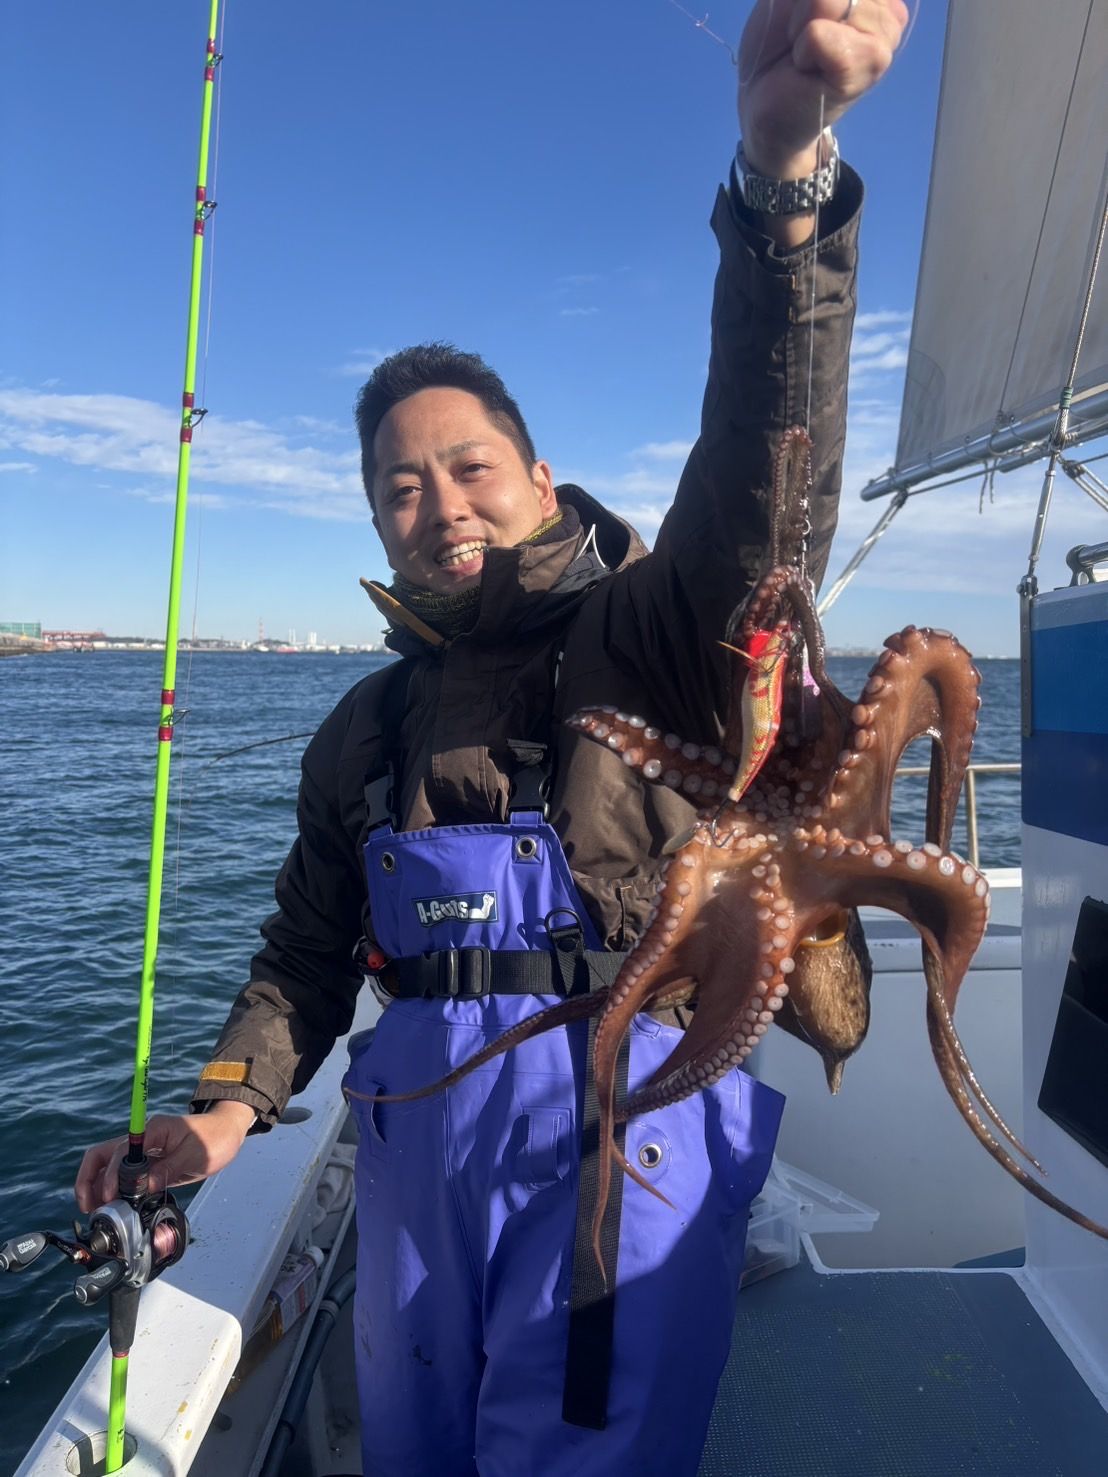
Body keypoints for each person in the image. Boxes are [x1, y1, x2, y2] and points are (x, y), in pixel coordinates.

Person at [78, 3, 907, 1472]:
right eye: (399, 488)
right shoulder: (369, 725)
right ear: (374, 520)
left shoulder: (658, 634)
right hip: (414, 1157)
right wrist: (224, 1110)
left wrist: (785, 190)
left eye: (468, 467)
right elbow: (308, 949)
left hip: (624, 1136)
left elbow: (763, 480)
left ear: (538, 475)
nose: (440, 504)